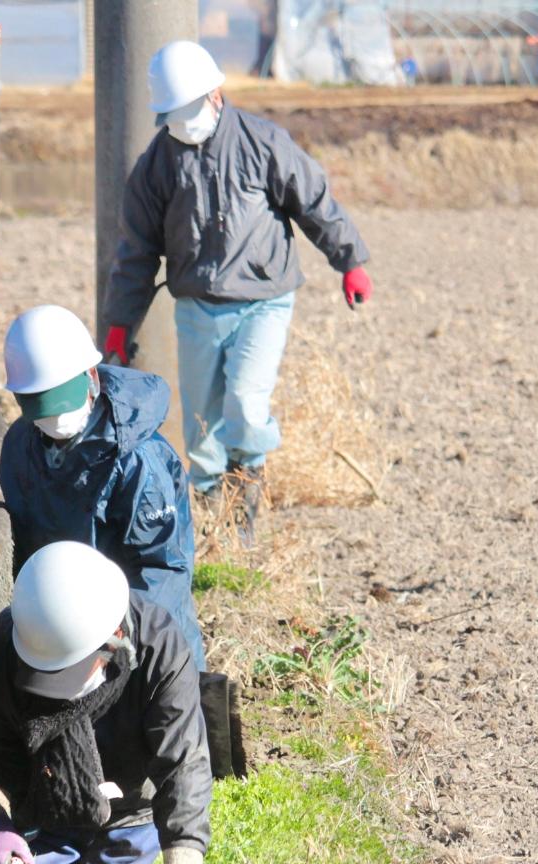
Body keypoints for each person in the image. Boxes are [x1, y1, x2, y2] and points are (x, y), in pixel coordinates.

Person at [102, 39, 373, 541]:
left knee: (246, 404)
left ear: (215, 95)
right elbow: (137, 251)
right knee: (202, 427)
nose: (183, 123)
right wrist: (120, 324)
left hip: (264, 300)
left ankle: (247, 496)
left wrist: (349, 261)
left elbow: (314, 202)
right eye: (172, 115)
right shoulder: (157, 165)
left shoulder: (263, 143)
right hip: (197, 305)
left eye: (189, 110)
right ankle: (212, 521)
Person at [0, 542, 210, 864]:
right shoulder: (9, 647)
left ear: (114, 639)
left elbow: (183, 762)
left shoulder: (158, 646)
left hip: (131, 812)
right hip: (45, 802)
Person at [0, 305, 205, 671]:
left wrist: (116, 637)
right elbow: (25, 545)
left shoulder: (138, 460)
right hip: (58, 627)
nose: (55, 420)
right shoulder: (21, 446)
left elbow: (160, 570)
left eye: (61, 404)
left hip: (135, 635)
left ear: (91, 377)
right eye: (42, 410)